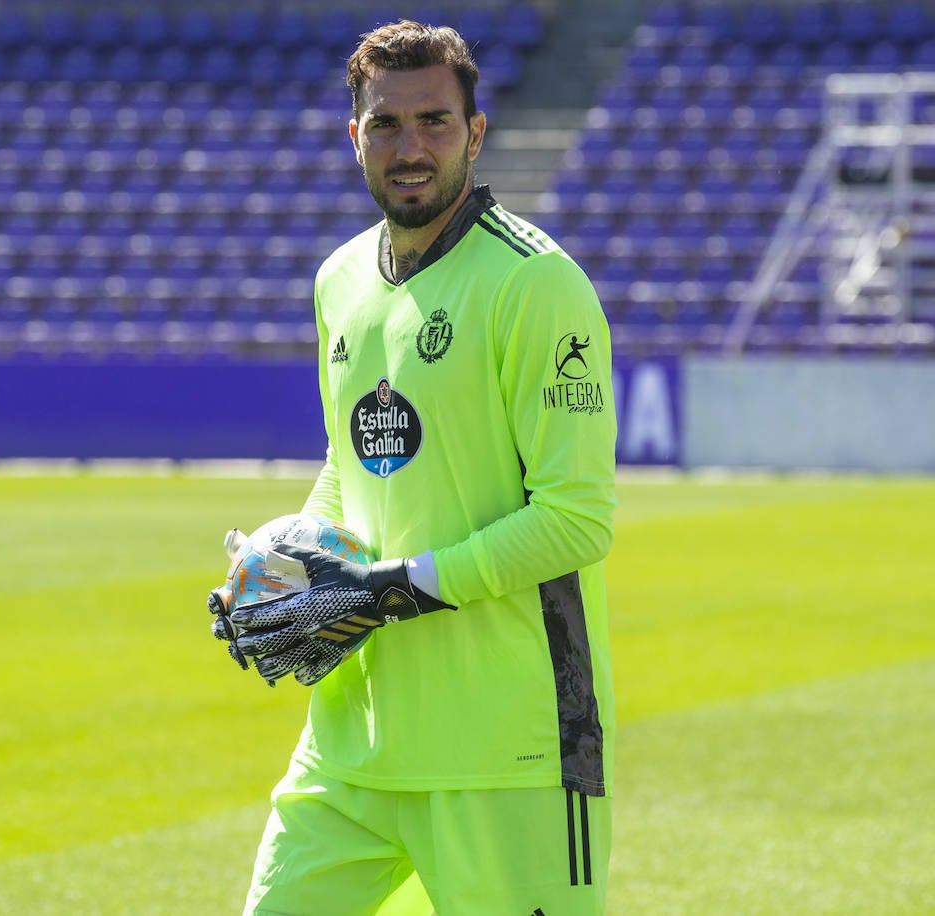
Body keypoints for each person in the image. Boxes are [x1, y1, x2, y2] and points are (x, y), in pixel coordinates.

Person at [210, 19, 618, 915]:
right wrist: (285, 561)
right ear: (355, 136)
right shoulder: (339, 280)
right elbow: (348, 467)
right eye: (386, 125)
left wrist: (393, 586)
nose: (411, 147)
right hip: (353, 745)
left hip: (509, 754)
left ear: (475, 133)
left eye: (434, 122)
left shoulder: (537, 285)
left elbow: (576, 519)